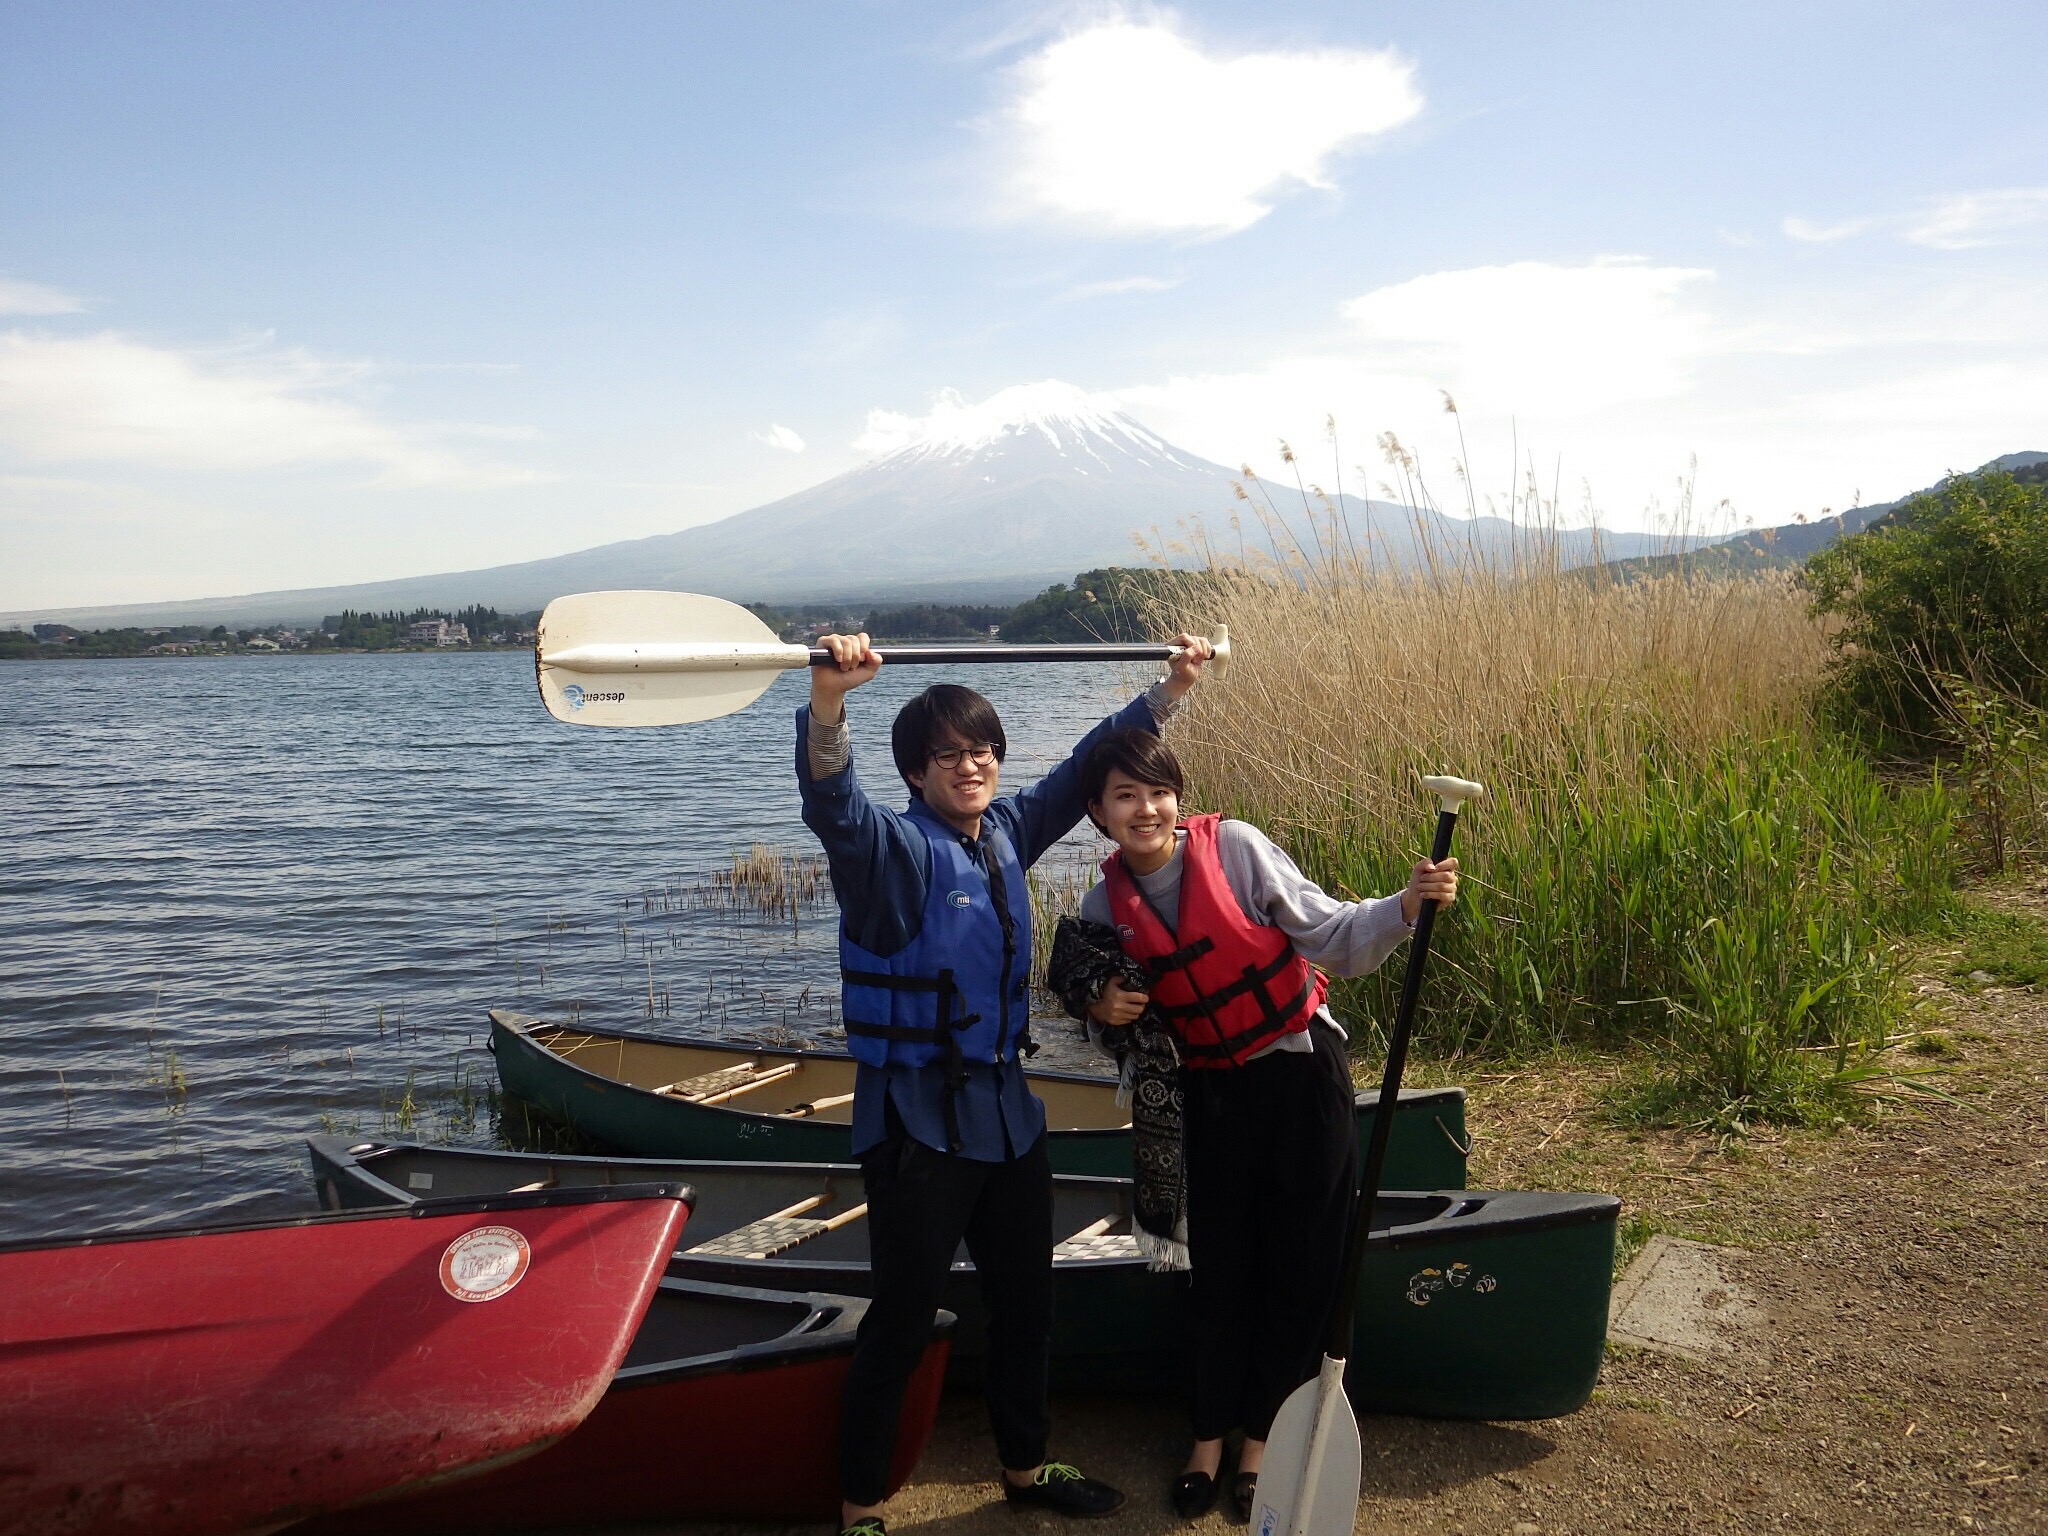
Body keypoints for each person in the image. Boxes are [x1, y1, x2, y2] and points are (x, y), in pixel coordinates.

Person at [798, 631, 1214, 1536]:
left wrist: (1168, 691)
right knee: (902, 1322)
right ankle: (860, 1508)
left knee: (1030, 1303)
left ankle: (1025, 1467)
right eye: (950, 753)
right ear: (915, 772)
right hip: (915, 1125)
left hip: (1005, 1115)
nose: (972, 764)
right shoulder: (890, 858)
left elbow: (1077, 774)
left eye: (984, 749)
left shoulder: (1003, 837)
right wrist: (829, 704)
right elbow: (834, 806)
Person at [1066, 729, 1457, 1524]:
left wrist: (1407, 905)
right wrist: (1099, 1005)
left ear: (1177, 797)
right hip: (1207, 1097)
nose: (1146, 809)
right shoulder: (1100, 906)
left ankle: (1261, 1446)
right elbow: (1098, 1013)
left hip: (1298, 1075)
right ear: (1097, 814)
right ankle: (1205, 1439)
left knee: (1299, 1263)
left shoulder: (1238, 850)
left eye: (1157, 792)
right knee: (1216, 1272)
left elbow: (1334, 936)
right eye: (1124, 796)